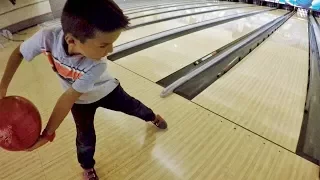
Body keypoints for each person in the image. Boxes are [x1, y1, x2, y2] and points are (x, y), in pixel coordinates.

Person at [0, 0, 168, 179]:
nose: (110, 50)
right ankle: (88, 166)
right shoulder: (46, 38)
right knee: (85, 138)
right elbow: (18, 53)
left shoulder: (97, 65)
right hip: (80, 103)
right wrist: (2, 87)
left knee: (134, 107)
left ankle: (152, 117)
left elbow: (68, 97)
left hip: (108, 91)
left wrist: (47, 134)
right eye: (103, 45)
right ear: (71, 40)